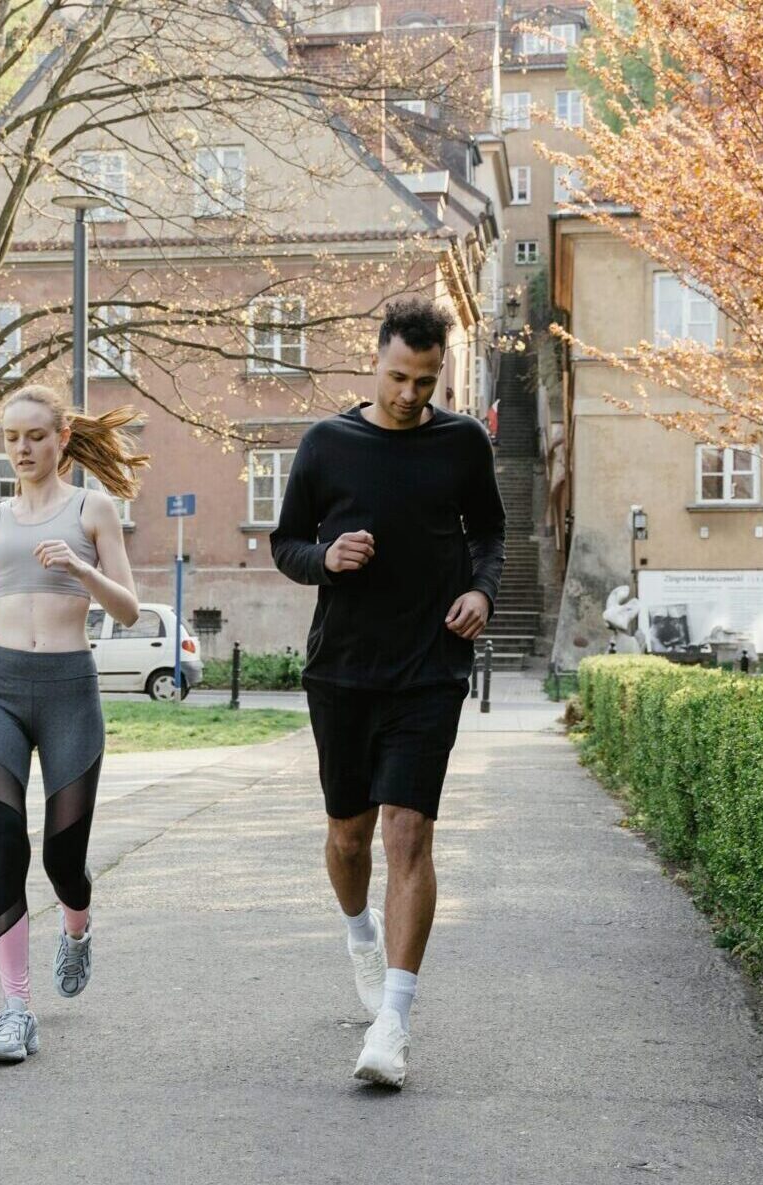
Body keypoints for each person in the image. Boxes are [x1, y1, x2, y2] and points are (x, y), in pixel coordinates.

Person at [270, 297, 505, 1088]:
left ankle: (393, 1024)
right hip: (342, 668)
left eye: (427, 381)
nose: (411, 394)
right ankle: (359, 932)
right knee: (349, 836)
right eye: (400, 377)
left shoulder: (463, 442)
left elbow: (491, 533)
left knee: (408, 833)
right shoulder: (327, 443)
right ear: (375, 362)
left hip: (430, 666)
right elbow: (285, 543)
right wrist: (325, 557)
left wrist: (482, 589)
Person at [0, 385, 148, 1064]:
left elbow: (126, 610)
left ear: (63, 438)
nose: (22, 449)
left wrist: (80, 565)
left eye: (35, 435)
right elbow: (7, 604)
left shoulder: (94, 508)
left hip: (68, 692)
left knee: (63, 861)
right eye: (10, 437)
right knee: (6, 843)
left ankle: (78, 924)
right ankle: (15, 1009)